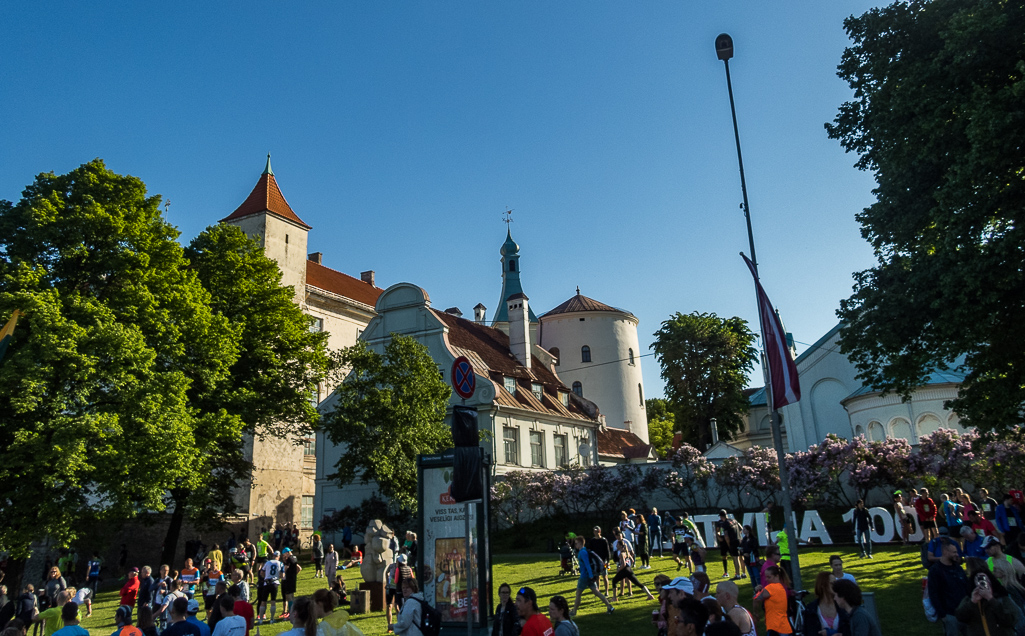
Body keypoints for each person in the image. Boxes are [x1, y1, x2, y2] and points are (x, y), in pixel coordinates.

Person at [928, 537, 970, 636]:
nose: (957, 555)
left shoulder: (958, 568)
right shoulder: (935, 571)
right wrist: (942, 614)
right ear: (945, 552)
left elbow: (967, 586)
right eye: (954, 552)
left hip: (965, 611)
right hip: (950, 613)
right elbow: (933, 593)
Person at [570, 536, 614, 615]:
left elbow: (587, 565)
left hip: (585, 576)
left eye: (576, 543)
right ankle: (609, 606)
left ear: (580, 543)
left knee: (578, 593)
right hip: (589, 576)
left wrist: (590, 575)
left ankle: (574, 611)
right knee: (597, 592)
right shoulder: (585, 551)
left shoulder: (582, 552)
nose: (575, 545)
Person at [608, 530, 654, 603]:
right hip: (629, 570)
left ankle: (614, 597)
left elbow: (623, 564)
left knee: (614, 581)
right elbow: (632, 560)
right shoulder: (626, 552)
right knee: (638, 583)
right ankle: (650, 595)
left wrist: (619, 569)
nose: (616, 546)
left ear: (620, 546)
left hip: (624, 570)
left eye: (617, 545)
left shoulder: (621, 554)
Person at [801, 572, 846, 636]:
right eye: (832, 583)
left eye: (836, 583)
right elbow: (809, 632)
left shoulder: (842, 606)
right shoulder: (811, 609)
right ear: (823, 585)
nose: (835, 586)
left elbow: (850, 631)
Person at [753, 565, 791, 636]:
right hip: (784, 626)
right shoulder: (781, 587)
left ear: (776, 576)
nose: (766, 579)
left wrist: (756, 591)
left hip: (774, 626)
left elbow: (756, 599)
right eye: (765, 577)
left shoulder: (771, 587)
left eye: (769, 577)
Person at [384, 555, 413, 631]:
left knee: (397, 607)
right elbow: (386, 573)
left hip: (397, 589)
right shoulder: (391, 566)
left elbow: (397, 580)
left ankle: (398, 624)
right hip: (391, 588)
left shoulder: (400, 569)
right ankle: (389, 625)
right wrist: (387, 582)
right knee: (389, 606)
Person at [257, 551, 284, 623]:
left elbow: (262, 572)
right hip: (274, 583)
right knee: (273, 601)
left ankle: (261, 619)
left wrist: (265, 576)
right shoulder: (280, 563)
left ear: (273, 556)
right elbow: (282, 575)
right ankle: (272, 619)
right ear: (279, 557)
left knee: (263, 602)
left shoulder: (267, 563)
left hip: (267, 583)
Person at [586, 528, 611, 595]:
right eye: (594, 531)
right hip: (595, 562)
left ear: (600, 531)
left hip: (603, 561)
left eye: (597, 531)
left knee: (605, 576)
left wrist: (608, 561)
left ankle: (607, 591)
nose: (595, 532)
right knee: (597, 577)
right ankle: (598, 591)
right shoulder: (592, 541)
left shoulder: (604, 540)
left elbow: (607, 551)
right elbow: (590, 551)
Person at [281, 548, 301, 620]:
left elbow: (286, 568)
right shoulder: (295, 558)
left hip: (288, 579)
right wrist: (294, 574)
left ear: (286, 553)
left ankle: (291, 613)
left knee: (289, 596)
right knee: (292, 596)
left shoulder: (289, 559)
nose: (284, 556)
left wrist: (282, 575)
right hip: (293, 579)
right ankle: (294, 611)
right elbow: (299, 568)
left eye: (284, 554)